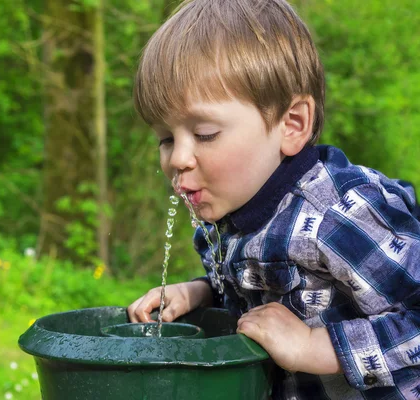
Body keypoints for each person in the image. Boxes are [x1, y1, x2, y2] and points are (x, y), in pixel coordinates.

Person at [126, 0, 420, 398]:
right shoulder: (229, 217)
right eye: (165, 138)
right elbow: (258, 292)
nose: (177, 158)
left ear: (292, 125)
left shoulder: (336, 216)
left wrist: (317, 347)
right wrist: (200, 292)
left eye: (206, 133)